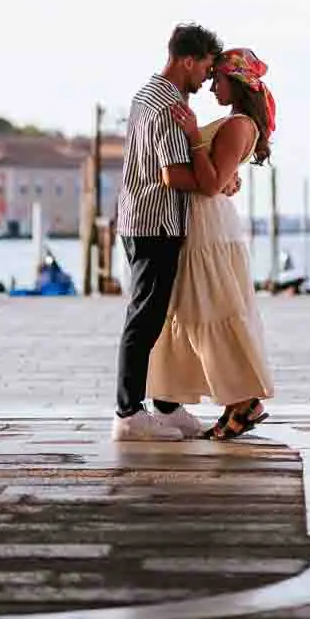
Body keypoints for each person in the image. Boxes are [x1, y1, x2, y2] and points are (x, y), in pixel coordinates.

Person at [148, 46, 277, 440]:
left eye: (217, 79)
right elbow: (221, 178)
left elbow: (211, 183)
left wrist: (192, 139)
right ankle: (236, 401)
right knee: (200, 309)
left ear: (235, 82)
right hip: (204, 223)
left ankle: (244, 400)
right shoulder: (234, 121)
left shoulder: (238, 123)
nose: (211, 86)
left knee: (211, 308)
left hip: (208, 227)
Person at [109, 23, 226, 442]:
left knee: (161, 315)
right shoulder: (169, 106)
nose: (207, 78)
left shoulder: (147, 94)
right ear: (187, 60)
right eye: (206, 68)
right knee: (145, 315)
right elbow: (174, 174)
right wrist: (217, 182)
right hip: (153, 222)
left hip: (142, 219)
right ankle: (128, 412)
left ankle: (163, 402)